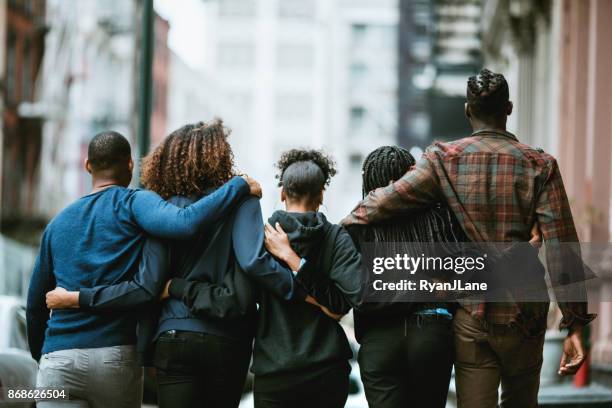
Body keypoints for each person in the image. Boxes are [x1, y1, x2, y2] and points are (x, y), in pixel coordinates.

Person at [341, 69, 596, 408]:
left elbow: (386, 200)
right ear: (508, 108)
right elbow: (564, 247)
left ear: (467, 110)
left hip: (473, 311)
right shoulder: (540, 165)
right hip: (526, 311)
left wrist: (342, 223)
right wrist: (575, 325)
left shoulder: (442, 160)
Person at [44, 121, 318, 408]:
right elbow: (251, 261)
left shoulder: (162, 209)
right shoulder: (242, 202)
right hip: (228, 338)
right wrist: (299, 288)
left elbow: (149, 281)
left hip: (173, 337)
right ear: (220, 156)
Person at [343, 145, 466, 408]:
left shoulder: (355, 227)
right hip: (432, 332)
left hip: (378, 339)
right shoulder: (440, 218)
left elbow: (351, 288)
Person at [253, 149, 363, 408]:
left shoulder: (261, 237)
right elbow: (347, 301)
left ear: (282, 193)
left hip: (273, 370)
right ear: (321, 195)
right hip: (326, 370)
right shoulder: (336, 239)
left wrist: (293, 260)